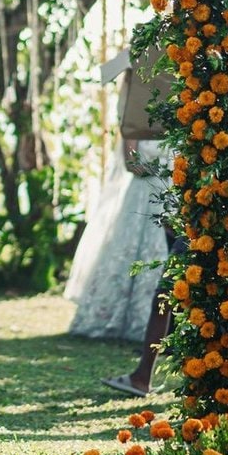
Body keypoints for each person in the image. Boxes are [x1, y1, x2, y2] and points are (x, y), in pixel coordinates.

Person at [64, 137, 170, 347]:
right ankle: (124, 319)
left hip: (174, 193)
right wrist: (163, 171)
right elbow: (131, 163)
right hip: (144, 193)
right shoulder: (135, 116)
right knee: (131, 254)